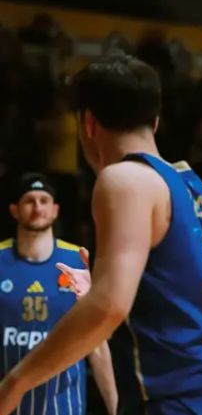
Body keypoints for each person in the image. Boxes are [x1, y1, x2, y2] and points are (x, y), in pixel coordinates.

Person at [0, 53, 202, 414]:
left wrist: (15, 383)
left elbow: (109, 306)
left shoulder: (124, 179)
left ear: (88, 123)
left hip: (176, 402)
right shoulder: (194, 190)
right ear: (156, 121)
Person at [0, 173, 117, 414]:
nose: (37, 208)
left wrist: (115, 406)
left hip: (65, 408)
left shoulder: (77, 260)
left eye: (44, 201)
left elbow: (96, 343)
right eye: (29, 201)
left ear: (55, 210)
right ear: (14, 210)